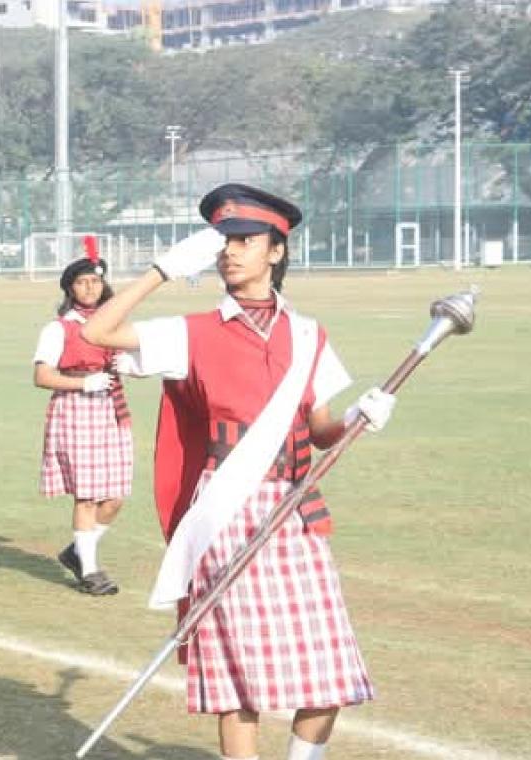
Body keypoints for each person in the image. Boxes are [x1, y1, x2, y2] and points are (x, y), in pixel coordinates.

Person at [80, 184, 394, 760]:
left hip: (295, 511)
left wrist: (358, 417)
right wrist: (161, 271)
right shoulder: (192, 332)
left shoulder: (309, 333)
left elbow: (321, 429)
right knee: (236, 685)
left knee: (330, 673)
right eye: (224, 241)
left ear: (277, 250)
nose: (230, 252)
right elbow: (96, 333)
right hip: (225, 513)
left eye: (246, 240)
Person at [32, 239, 136, 596]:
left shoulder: (116, 324)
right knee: (87, 496)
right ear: (70, 289)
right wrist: (83, 383)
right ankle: (90, 570)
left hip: (111, 409)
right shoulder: (59, 328)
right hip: (76, 408)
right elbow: (42, 376)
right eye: (82, 282)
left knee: (115, 496)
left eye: (95, 281)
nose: (90, 288)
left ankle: (77, 552)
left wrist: (128, 365)